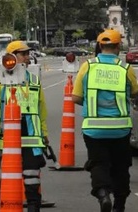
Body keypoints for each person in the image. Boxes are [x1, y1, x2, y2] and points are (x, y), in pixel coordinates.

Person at [72, 29, 138, 212]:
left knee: (98, 163)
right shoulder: (126, 69)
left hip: (94, 129)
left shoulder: (88, 67)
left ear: (100, 46)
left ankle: (102, 193)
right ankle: (119, 205)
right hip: (120, 129)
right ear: (118, 47)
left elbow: (76, 97)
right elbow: (134, 93)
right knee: (121, 166)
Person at [0, 40, 49, 212]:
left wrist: (44, 133)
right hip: (9, 141)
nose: (27, 57)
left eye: (28, 54)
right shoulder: (0, 82)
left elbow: (41, 110)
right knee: (9, 178)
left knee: (32, 176)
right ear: (11, 57)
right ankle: (3, 201)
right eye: (23, 54)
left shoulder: (34, 81)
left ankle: (34, 207)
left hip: (32, 139)